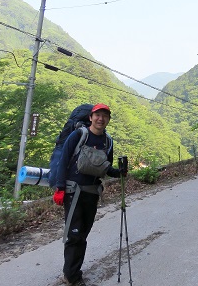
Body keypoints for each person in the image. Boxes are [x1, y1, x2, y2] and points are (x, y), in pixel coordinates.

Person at [53, 103, 126, 286]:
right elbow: (63, 161)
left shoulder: (108, 141)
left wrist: (119, 173)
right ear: (91, 117)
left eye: (105, 116)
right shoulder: (79, 135)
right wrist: (60, 188)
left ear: (108, 120)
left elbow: (105, 168)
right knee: (74, 234)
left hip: (92, 194)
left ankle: (73, 271)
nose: (101, 119)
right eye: (98, 115)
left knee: (83, 235)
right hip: (73, 191)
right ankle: (71, 276)